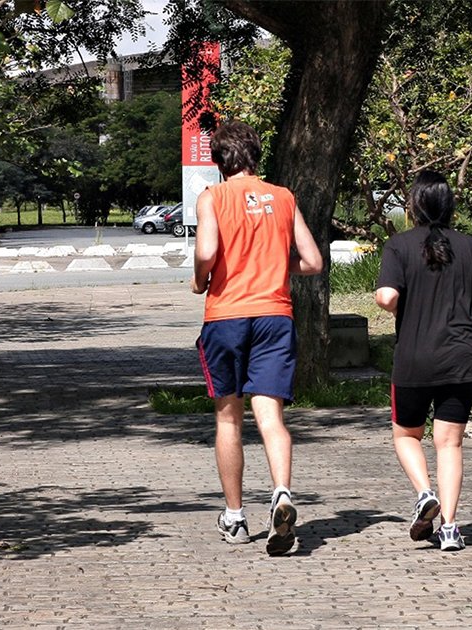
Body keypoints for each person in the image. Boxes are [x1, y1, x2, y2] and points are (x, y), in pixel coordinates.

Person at [191, 121, 323, 556]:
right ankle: (282, 493)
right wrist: (275, 270)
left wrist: (199, 280)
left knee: (229, 418)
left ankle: (234, 518)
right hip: (274, 317)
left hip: (227, 317)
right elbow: (313, 261)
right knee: (272, 418)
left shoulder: (211, 197)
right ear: (254, 156)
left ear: (219, 161)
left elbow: (208, 252)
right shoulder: (284, 197)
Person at [374, 171, 472, 552]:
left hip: (414, 359)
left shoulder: (399, 245)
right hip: (461, 360)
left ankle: (424, 492)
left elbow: (385, 298)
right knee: (449, 444)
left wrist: (400, 296)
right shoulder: (469, 246)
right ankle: (449, 527)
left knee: (406, 435)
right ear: (450, 206)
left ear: (413, 205)